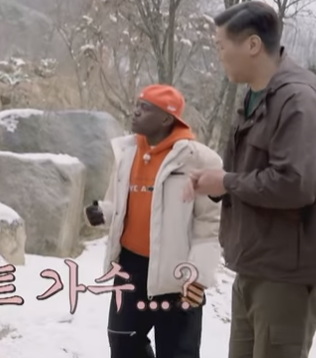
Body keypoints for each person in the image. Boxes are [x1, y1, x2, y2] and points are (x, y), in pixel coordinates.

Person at [189, 1, 316, 358]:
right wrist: (216, 184)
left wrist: (227, 182)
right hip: (255, 263)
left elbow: (295, 183)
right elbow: (250, 172)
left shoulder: (298, 101)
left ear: (252, 45)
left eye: (221, 46)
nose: (219, 55)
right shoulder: (254, 97)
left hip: (287, 273)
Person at [85, 84, 223, 358]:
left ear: (166, 118)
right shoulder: (126, 153)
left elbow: (210, 226)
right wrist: (104, 213)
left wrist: (196, 278)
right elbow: (119, 203)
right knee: (123, 344)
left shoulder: (201, 160)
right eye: (137, 105)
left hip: (178, 277)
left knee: (178, 353)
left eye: (145, 108)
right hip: (130, 268)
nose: (136, 111)